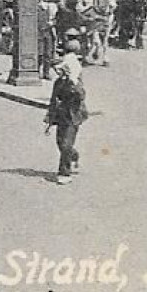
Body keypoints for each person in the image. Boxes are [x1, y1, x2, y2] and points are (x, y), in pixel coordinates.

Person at [45, 37, 89, 185]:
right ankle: (73, 155)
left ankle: (64, 173)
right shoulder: (58, 82)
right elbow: (53, 100)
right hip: (61, 114)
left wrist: (72, 82)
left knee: (66, 144)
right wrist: (50, 117)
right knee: (60, 143)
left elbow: (80, 96)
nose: (59, 71)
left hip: (73, 114)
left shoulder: (76, 83)